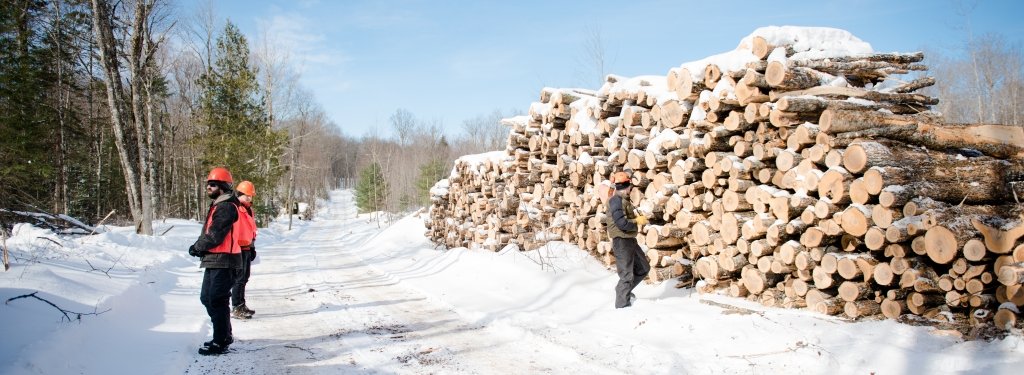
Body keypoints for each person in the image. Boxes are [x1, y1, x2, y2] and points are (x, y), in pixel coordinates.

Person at [189, 167, 242, 355]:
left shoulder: (226, 206)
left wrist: (198, 246)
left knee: (216, 300)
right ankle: (224, 335)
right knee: (207, 298)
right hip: (214, 259)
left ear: (222, 186)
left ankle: (221, 340)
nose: (208, 187)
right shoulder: (219, 204)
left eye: (212, 184)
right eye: (208, 184)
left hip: (225, 259)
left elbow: (215, 234)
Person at [605, 171, 650, 308]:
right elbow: (622, 223)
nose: (631, 189)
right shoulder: (615, 201)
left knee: (643, 268)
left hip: (629, 240)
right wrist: (637, 221)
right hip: (621, 241)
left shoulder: (623, 200)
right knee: (626, 275)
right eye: (629, 187)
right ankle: (622, 306)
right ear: (625, 186)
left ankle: (623, 292)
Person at [231, 180, 258, 320]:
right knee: (239, 279)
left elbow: (252, 229)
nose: (249, 198)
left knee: (245, 278)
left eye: (251, 196)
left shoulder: (249, 209)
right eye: (246, 195)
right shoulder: (235, 208)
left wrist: (252, 246)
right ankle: (236, 306)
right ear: (239, 194)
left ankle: (241, 304)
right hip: (238, 248)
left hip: (247, 247)